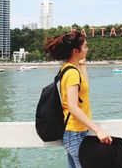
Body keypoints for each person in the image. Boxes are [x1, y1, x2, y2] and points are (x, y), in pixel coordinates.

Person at [44, 31, 112, 168]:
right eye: (85, 46)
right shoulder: (72, 73)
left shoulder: (69, 69)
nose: (87, 48)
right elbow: (73, 107)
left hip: (76, 132)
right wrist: (98, 130)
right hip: (74, 134)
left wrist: (83, 65)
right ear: (76, 50)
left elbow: (84, 87)